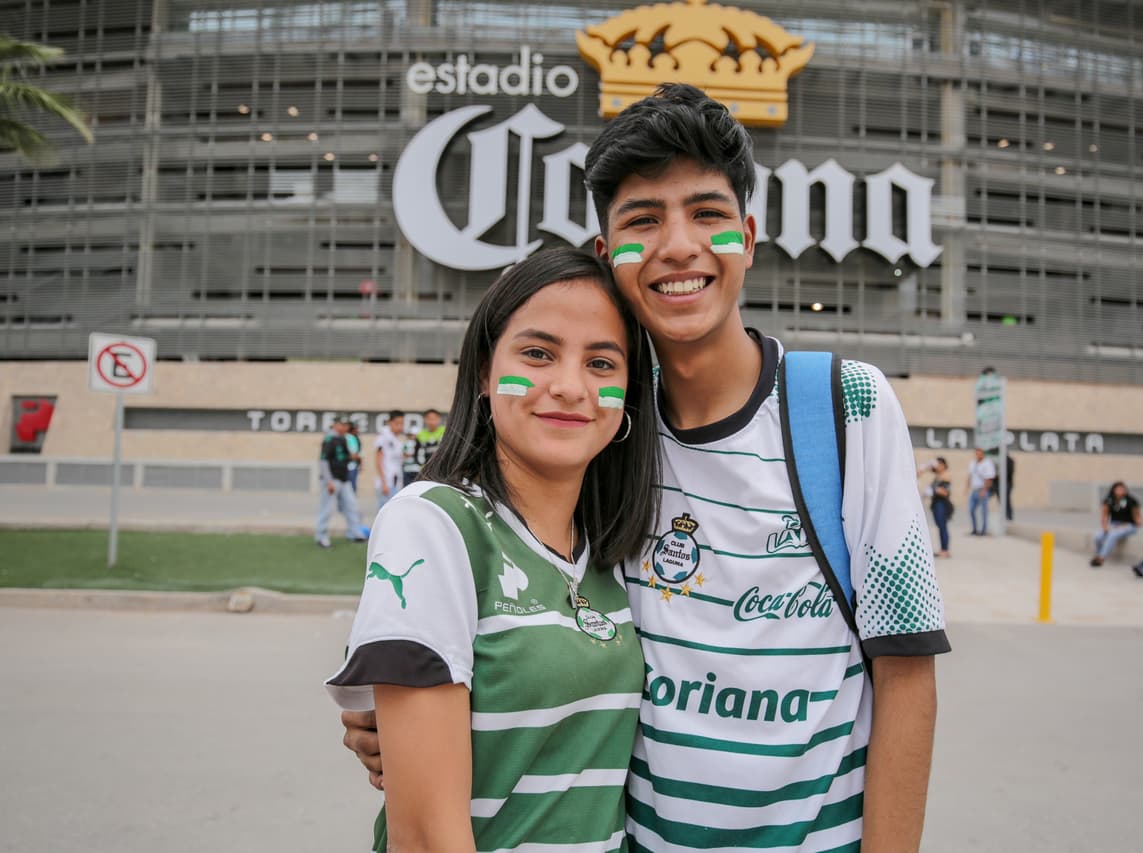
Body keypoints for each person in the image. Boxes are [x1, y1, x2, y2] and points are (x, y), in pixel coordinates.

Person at [342, 82, 948, 851]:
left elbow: (907, 675)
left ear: (749, 237)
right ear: (607, 256)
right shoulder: (600, 430)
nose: (677, 246)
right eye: (643, 219)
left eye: (706, 214)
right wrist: (408, 717)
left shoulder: (845, 406)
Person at [326, 247, 660, 852]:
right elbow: (426, 837)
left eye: (602, 363)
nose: (568, 386)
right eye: (537, 354)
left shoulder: (615, 550)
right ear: (484, 371)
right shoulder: (433, 522)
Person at [316, 415, 365, 548]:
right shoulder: (329, 439)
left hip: (344, 478)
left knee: (352, 506)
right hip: (333, 479)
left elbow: (343, 457)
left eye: (346, 425)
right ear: (336, 425)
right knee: (326, 508)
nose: (344, 428)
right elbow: (323, 460)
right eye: (342, 425)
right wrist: (329, 481)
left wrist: (353, 458)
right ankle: (321, 536)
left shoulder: (343, 439)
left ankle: (355, 533)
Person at [1090, 481, 1142, 567]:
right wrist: (1105, 527)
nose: (1121, 491)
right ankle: (1098, 554)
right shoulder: (1109, 500)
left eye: (1123, 489)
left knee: (1113, 534)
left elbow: (1137, 516)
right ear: (1113, 490)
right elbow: (1105, 515)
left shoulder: (1131, 500)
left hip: (1128, 525)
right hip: (1114, 524)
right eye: (1118, 489)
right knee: (1098, 536)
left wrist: (1138, 522)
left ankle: (1101, 558)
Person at [373, 410, 405, 513]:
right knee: (384, 513)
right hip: (386, 483)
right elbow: (378, 461)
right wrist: (384, 483)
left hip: (395, 482)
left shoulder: (396, 439)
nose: (400, 426)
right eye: (397, 423)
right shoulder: (383, 437)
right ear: (389, 422)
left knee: (393, 512)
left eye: (402, 423)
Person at [921, 456, 953, 557]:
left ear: (943, 465)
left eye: (938, 464)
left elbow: (945, 492)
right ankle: (943, 549)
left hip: (942, 504)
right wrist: (927, 466)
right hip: (936, 504)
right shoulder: (938, 476)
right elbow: (923, 471)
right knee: (940, 527)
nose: (936, 467)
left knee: (942, 527)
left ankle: (945, 550)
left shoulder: (945, 476)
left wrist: (933, 491)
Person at [966, 446, 996, 535]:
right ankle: (975, 529)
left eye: (980, 453)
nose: (978, 455)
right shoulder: (973, 463)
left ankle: (984, 530)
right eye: (976, 453)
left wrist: (984, 490)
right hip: (974, 489)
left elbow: (989, 478)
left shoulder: (987, 463)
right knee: (971, 510)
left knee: (983, 511)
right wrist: (967, 488)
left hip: (982, 490)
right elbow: (970, 476)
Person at [345, 420, 363, 494]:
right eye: (356, 428)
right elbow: (353, 454)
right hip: (349, 467)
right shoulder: (349, 437)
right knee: (351, 489)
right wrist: (358, 458)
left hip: (353, 466)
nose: (358, 430)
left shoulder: (354, 438)